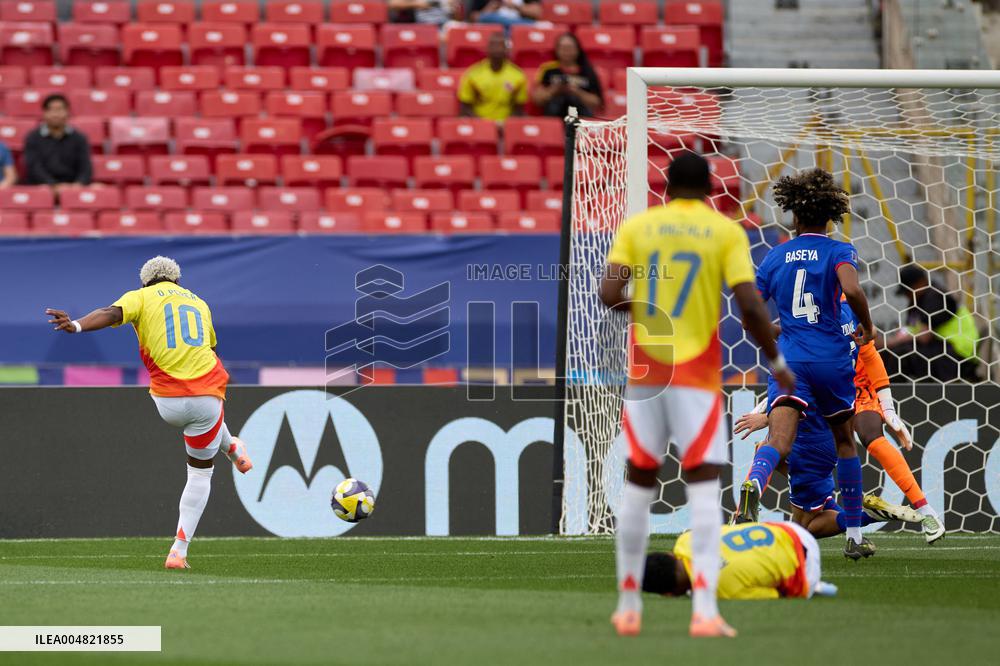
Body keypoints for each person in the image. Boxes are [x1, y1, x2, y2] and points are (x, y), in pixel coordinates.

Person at [599, 152, 794, 639]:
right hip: (698, 379)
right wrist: (775, 361)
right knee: (703, 486)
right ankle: (704, 610)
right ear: (710, 189)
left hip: (646, 374)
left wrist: (647, 304)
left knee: (639, 485)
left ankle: (627, 607)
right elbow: (750, 305)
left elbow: (607, 293)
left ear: (665, 187)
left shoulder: (640, 227)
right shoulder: (725, 231)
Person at [45, 256, 253, 570]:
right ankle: (178, 552)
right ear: (177, 281)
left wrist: (75, 325)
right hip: (207, 398)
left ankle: (234, 447)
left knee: (203, 417)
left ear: (146, 281)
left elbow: (109, 313)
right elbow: (208, 349)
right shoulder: (201, 303)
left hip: (166, 401)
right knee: (199, 470)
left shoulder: (139, 296)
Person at [736, 168, 876, 561]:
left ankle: (753, 485)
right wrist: (867, 326)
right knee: (846, 443)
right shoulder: (838, 250)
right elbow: (850, 288)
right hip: (832, 360)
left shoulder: (775, 256)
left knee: (778, 442)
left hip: (792, 361)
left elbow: (751, 312)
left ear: (794, 217)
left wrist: (773, 334)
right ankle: (853, 535)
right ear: (829, 217)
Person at [733, 294, 946, 544]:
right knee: (817, 502)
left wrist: (888, 408)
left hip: (834, 401)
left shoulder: (827, 307)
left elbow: (861, 354)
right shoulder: (828, 305)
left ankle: (918, 513)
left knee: (862, 441)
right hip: (832, 399)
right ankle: (861, 525)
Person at [642, 522, 838, 600]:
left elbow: (774, 595)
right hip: (786, 528)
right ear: (669, 554)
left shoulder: (723, 590)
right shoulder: (685, 540)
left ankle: (816, 587)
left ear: (670, 593)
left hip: (806, 566)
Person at [885, 264, 979, 382]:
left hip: (957, 354)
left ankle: (887, 395)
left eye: (908, 291)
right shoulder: (916, 302)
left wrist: (889, 343)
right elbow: (909, 331)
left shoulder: (936, 297)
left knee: (902, 355)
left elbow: (924, 336)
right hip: (941, 350)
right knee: (893, 352)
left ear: (921, 282)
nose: (907, 296)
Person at [23, 94, 92, 189]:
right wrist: (53, 186)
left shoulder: (79, 138)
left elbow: (85, 167)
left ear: (68, 112)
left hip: (73, 187)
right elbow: (34, 167)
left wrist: (79, 184)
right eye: (51, 110)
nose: (56, 114)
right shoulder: (33, 138)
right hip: (43, 187)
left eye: (60, 109)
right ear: (44, 113)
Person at [457, 32, 527, 121]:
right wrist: (483, 124)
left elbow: (519, 108)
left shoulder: (518, 75)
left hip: (505, 126)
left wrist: (506, 124)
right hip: (480, 125)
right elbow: (465, 107)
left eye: (501, 45)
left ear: (507, 49)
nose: (497, 49)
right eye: (493, 45)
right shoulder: (473, 74)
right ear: (487, 49)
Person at [531, 33, 604, 118]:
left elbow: (597, 102)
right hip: (554, 116)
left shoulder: (587, 71)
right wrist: (554, 90)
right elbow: (537, 100)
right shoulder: (548, 69)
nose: (566, 51)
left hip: (580, 117)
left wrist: (577, 92)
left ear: (577, 49)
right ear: (557, 50)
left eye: (570, 48)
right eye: (563, 48)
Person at [468, 0, 541, 30]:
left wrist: (516, 7)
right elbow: (473, 18)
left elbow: (537, 13)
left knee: (530, 25)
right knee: (488, 18)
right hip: (493, 26)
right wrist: (490, 8)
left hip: (519, 25)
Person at [389, 0, 459, 25]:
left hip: (445, 25)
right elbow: (393, 4)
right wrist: (416, 4)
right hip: (422, 24)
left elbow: (457, 17)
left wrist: (454, 8)